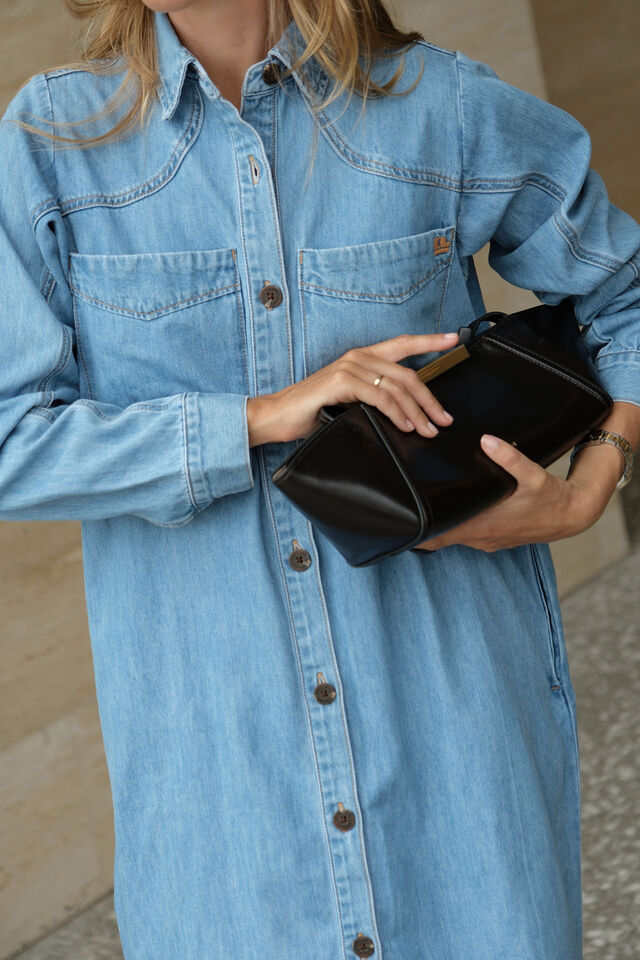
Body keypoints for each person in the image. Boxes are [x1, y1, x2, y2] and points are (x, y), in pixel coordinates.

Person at [1, 0, 639, 957]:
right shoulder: (53, 143)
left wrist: (597, 483)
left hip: (454, 747)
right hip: (221, 787)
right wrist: (257, 419)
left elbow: (623, 294)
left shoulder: (438, 106)